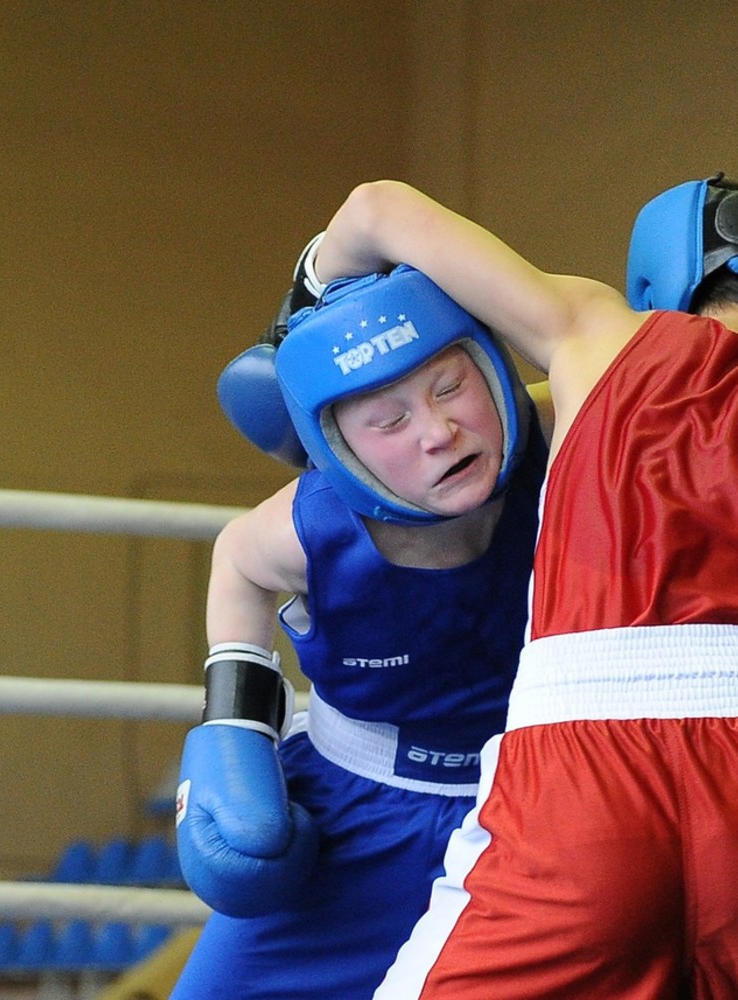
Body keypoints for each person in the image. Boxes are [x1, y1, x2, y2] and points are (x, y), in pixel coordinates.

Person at [304, 176, 738, 998]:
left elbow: (375, 207)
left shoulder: (593, 333)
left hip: (575, 778)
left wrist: (315, 290)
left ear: (664, 273)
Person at [171, 256, 550, 999]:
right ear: (333, 449)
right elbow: (236, 564)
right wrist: (234, 729)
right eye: (389, 420)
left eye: (451, 387)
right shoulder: (300, 531)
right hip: (361, 809)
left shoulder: (570, 426)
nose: (439, 431)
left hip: (540, 809)